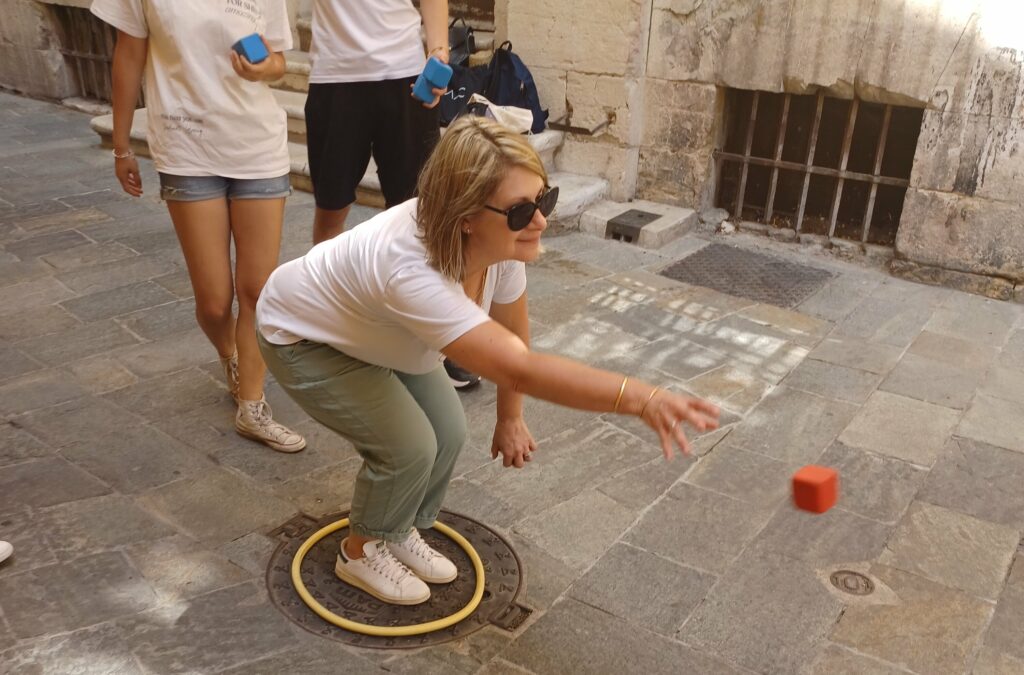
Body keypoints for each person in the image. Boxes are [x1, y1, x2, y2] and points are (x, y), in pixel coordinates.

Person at [255, 117, 721, 605]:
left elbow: (515, 335)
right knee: (409, 446)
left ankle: (395, 529)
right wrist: (640, 398)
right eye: (522, 212)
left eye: (545, 200)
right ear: (465, 216)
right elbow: (518, 368)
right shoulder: (411, 271)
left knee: (449, 431)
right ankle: (360, 550)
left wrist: (510, 416)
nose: (540, 221)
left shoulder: (499, 243)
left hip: (379, 334)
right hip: (306, 337)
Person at [93, 0, 305, 453]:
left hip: (257, 147)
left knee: (257, 289)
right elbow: (128, 54)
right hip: (187, 148)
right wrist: (122, 144)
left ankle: (252, 405)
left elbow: (281, 61)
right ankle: (230, 354)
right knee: (213, 301)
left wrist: (265, 67)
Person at [303, 0, 480, 389]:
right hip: (336, 77)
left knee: (424, 212)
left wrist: (438, 52)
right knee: (331, 210)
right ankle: (329, 324)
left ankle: (437, 338)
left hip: (405, 76)